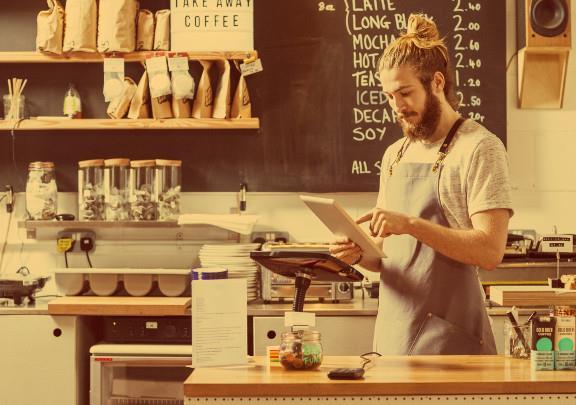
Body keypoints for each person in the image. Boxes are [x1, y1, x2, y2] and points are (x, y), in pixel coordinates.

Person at [330, 14, 513, 355]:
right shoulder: (395, 154)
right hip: (394, 336)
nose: (396, 107)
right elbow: (387, 259)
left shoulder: (479, 148)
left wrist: (412, 225)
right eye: (388, 96)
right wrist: (358, 254)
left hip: (451, 343)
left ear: (438, 82)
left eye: (405, 93)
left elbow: (490, 251)